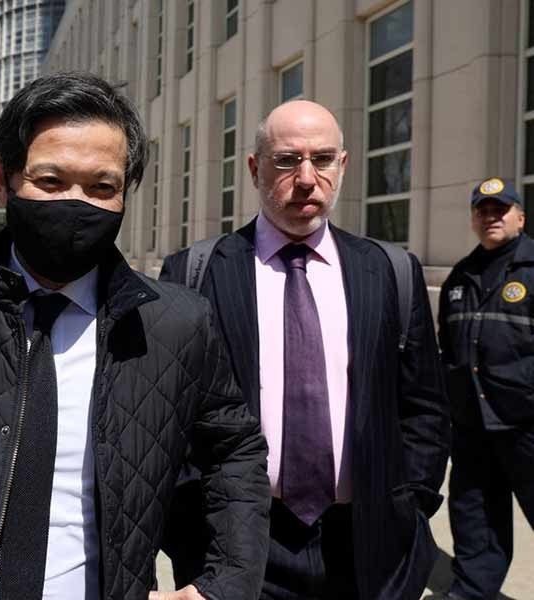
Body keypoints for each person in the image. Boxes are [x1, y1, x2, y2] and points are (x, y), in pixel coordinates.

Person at [0, 71, 270, 600]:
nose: (75, 203)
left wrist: (223, 583)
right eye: (50, 181)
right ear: (4, 179)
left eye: (101, 187)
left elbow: (235, 450)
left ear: (125, 193)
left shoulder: (179, 324)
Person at [161, 100, 450, 600]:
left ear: (344, 164)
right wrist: (193, 532)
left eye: (322, 159)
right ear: (254, 168)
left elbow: (423, 407)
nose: (306, 177)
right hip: (239, 546)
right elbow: (170, 418)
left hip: (368, 548)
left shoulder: (391, 272)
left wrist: (411, 507)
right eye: (287, 159)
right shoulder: (196, 273)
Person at [435, 179, 534, 600]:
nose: (491, 217)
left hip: (526, 424)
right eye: (483, 210)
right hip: (473, 426)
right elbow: (448, 350)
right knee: (475, 516)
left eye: (500, 209)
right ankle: (472, 591)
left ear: (520, 217)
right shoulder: (462, 275)